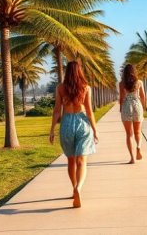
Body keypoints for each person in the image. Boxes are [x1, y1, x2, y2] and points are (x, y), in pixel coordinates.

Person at [49, 61, 99, 208]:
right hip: (82, 123)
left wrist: (52, 130)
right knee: (82, 160)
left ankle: (74, 188)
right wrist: (95, 130)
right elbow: (89, 111)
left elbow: (57, 110)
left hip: (66, 124)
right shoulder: (86, 87)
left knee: (71, 160)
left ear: (67, 72)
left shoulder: (60, 88)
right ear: (79, 71)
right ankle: (79, 188)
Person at [118, 64, 147, 164]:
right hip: (137, 106)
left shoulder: (122, 83)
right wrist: (144, 107)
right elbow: (143, 96)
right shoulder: (139, 82)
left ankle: (132, 158)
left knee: (129, 134)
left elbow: (121, 98)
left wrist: (121, 108)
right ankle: (138, 146)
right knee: (138, 132)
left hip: (126, 106)